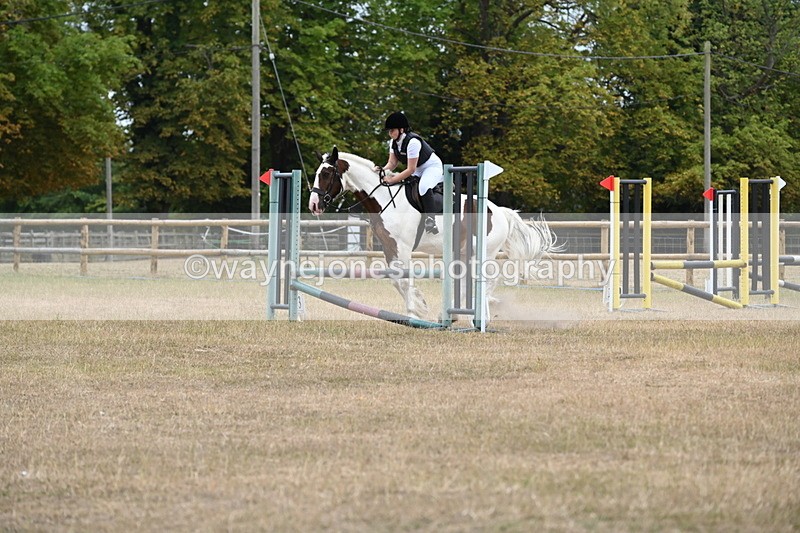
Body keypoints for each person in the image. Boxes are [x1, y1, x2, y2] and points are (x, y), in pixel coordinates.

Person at [374, 111, 443, 234]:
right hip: (417, 168)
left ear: (401, 129)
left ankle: (430, 220)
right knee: (405, 187)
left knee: (423, 186)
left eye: (392, 130)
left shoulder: (413, 142)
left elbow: (410, 169)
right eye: (389, 131)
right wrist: (382, 170)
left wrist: (392, 179)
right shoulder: (393, 142)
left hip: (431, 167)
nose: (390, 133)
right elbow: (392, 163)